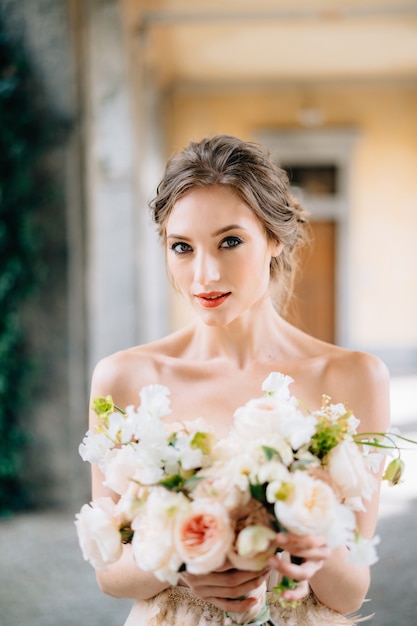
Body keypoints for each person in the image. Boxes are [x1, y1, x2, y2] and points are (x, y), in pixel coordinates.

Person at [88, 135, 390, 626]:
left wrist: (305, 547)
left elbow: (350, 593)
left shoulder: (354, 377)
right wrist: (181, 563)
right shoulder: (124, 378)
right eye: (182, 247)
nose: (204, 274)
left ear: (274, 239)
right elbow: (109, 573)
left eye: (229, 241)